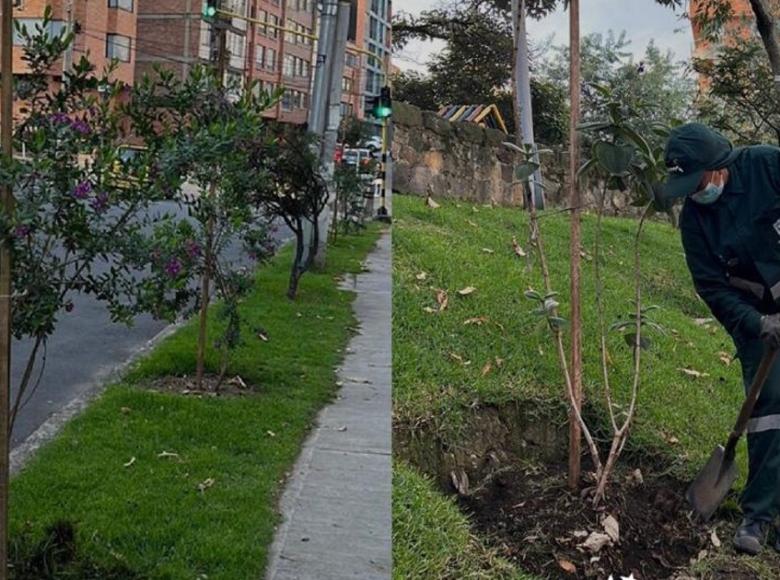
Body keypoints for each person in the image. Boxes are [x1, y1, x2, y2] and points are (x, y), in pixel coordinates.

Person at [664, 123, 780, 555]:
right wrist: (758, 324)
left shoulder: (768, 166)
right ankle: (760, 514)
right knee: (768, 405)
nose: (693, 195)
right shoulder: (695, 223)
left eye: (696, 183)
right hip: (756, 321)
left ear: (718, 170)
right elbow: (711, 288)